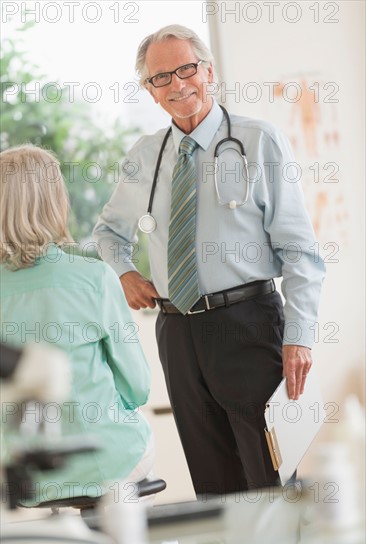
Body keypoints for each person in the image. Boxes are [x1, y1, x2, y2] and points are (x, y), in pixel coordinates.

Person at [93, 25, 326, 495]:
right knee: (212, 487)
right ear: (151, 91)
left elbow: (300, 252)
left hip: (249, 324)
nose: (178, 85)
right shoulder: (145, 155)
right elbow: (107, 232)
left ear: (209, 72)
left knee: (270, 481)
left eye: (186, 69)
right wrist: (125, 271)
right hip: (177, 332)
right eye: (162, 77)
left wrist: (299, 337)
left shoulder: (259, 141)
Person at [0, 144, 153, 505]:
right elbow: (138, 387)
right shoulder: (94, 277)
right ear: (55, 203)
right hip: (108, 458)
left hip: (21, 473)